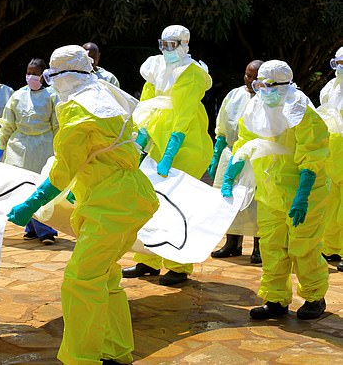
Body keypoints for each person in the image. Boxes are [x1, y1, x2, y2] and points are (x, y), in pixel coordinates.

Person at [8, 45, 159, 364]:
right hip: (129, 194)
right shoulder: (106, 96)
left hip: (111, 203)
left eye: (52, 76)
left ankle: (81, 358)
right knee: (105, 276)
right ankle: (116, 350)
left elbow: (64, 169)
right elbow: (116, 147)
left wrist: (30, 205)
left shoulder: (77, 107)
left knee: (80, 280)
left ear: (62, 76)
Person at [222, 60, 330, 320]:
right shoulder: (256, 107)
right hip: (270, 191)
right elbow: (245, 143)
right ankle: (276, 299)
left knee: (303, 247)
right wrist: (230, 174)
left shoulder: (301, 110)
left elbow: (312, 154)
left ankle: (315, 297)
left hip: (304, 193)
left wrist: (303, 195)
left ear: (284, 85)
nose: (263, 90)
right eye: (260, 84)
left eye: (269, 85)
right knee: (271, 246)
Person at [122, 24, 213, 286]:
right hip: (157, 140)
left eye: (172, 45)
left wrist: (171, 153)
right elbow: (147, 107)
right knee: (149, 203)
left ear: (185, 45)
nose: (166, 50)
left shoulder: (192, 73)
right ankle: (147, 260)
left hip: (186, 145)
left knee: (177, 205)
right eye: (163, 44)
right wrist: (141, 143)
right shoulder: (154, 67)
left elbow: (183, 116)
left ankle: (178, 266)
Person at [0, 58, 59, 244]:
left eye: (35, 73)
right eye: (29, 72)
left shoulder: (51, 96)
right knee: (24, 186)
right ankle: (32, 226)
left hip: (43, 146)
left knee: (41, 186)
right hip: (20, 147)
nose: (31, 76)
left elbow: (57, 124)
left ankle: (46, 229)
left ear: (43, 75)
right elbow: (7, 124)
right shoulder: (17, 96)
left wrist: (59, 147)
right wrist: (1, 147)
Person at [209, 60, 264, 264]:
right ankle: (232, 243)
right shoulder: (234, 95)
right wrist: (216, 153)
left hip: (257, 156)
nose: (250, 81)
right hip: (231, 153)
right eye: (248, 75)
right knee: (228, 201)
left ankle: (259, 246)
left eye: (255, 77)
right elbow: (222, 124)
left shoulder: (268, 98)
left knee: (257, 202)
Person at [317, 46, 343, 272]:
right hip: (333, 151)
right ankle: (331, 246)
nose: (340, 69)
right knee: (331, 201)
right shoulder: (330, 88)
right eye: (338, 64)